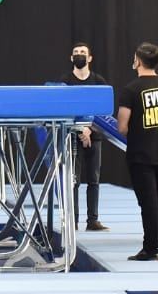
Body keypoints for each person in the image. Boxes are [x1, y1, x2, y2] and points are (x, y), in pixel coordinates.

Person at [117, 42, 158, 261]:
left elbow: (122, 127)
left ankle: (151, 248)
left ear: (138, 61)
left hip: (141, 153)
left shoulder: (131, 89)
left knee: (148, 202)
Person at [64, 42, 109, 231]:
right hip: (73, 136)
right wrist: (80, 129)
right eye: (76, 53)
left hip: (94, 136)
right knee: (74, 180)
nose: (79, 55)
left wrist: (89, 128)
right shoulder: (65, 81)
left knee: (94, 179)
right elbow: (64, 109)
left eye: (83, 53)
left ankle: (93, 220)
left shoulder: (98, 81)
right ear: (71, 58)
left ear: (90, 58)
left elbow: (104, 111)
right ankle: (72, 220)